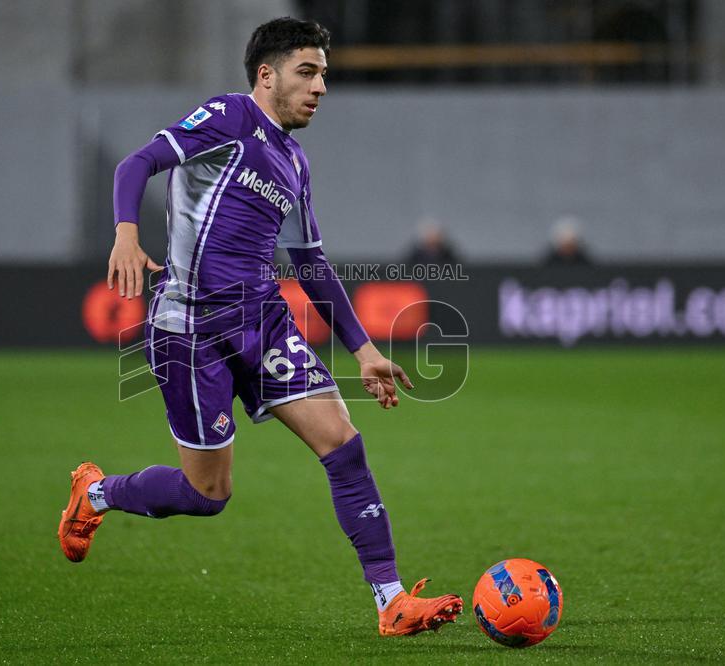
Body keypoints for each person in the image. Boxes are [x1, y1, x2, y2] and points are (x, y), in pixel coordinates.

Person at [57, 17, 462, 637]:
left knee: (344, 444)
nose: (321, 86)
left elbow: (311, 264)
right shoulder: (227, 117)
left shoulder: (295, 164)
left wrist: (363, 350)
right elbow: (135, 166)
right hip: (189, 326)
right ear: (266, 75)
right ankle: (98, 494)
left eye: (324, 73)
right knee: (208, 494)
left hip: (263, 321)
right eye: (308, 71)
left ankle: (391, 601)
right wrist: (125, 234)